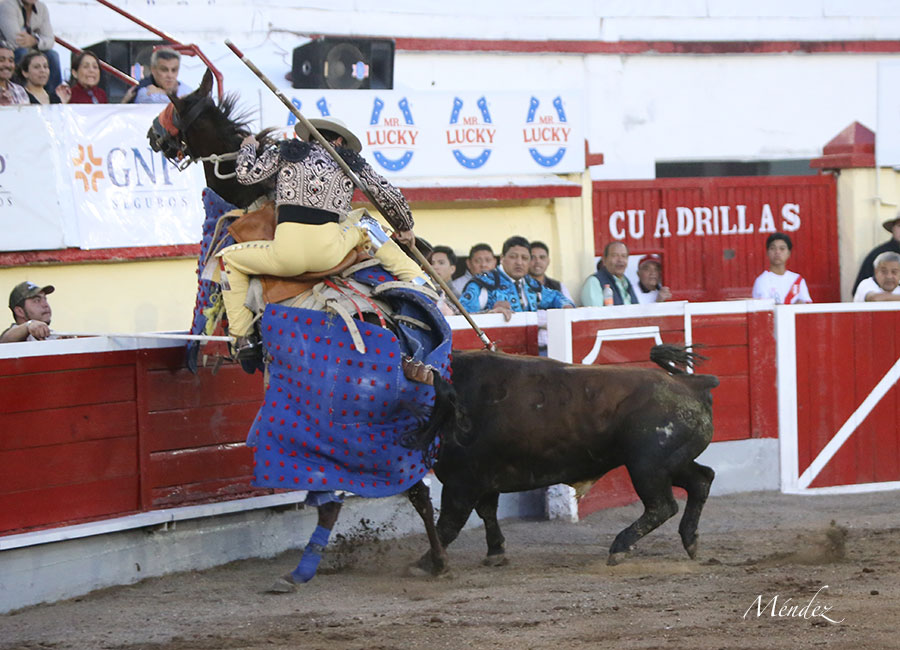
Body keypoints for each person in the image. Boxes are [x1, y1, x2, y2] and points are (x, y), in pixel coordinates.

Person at [217, 117, 429, 352]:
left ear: (308, 137)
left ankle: (242, 338)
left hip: (285, 258)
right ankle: (419, 281)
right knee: (364, 220)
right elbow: (388, 195)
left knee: (228, 259)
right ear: (338, 140)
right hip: (330, 254)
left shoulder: (285, 151)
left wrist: (248, 147)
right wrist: (404, 226)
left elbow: (246, 176)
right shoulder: (348, 161)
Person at [460, 235, 573, 320]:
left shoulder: (531, 285)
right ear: (502, 258)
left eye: (524, 258)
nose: (519, 262)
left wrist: (566, 306)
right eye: (513, 257)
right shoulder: (483, 284)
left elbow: (556, 297)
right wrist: (489, 313)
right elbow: (461, 315)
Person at [0, 0, 61, 90]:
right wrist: (39, 41)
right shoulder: (7, 5)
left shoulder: (42, 8)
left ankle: (54, 96)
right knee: (22, 53)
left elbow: (50, 40)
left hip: (32, 48)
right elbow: (16, 41)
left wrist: (35, 41)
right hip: (8, 49)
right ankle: (23, 93)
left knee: (53, 55)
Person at [751, 232, 812, 304]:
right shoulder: (762, 281)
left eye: (782, 249)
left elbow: (807, 305)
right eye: (773, 248)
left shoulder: (797, 279)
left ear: (789, 253)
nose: (777, 252)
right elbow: (765, 309)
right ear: (767, 252)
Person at [123, 47, 191, 104]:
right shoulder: (145, 91)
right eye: (164, 70)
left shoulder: (186, 89)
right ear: (153, 70)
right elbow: (154, 100)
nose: (170, 75)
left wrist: (163, 92)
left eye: (174, 70)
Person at [853, 214, 900, 294]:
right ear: (893, 228)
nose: (889, 276)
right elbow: (862, 291)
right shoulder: (878, 254)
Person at [581, 241, 638, 306]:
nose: (620, 260)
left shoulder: (625, 282)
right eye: (614, 255)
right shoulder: (594, 282)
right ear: (604, 260)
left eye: (624, 256)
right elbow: (595, 314)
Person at [428, 245, 461, 316]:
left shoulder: (457, 296)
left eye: (441, 263)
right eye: (432, 263)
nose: (435, 267)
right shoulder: (425, 291)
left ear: (452, 269)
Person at [0, 39, 27, 105]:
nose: (7, 65)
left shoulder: (20, 90)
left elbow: (27, 114)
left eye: (11, 60)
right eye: (1, 60)